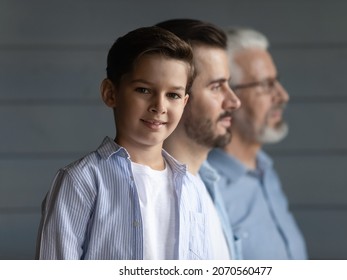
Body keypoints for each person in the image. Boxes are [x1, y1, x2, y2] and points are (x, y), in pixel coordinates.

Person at [35, 26, 215, 260]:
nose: (159, 106)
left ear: (184, 102)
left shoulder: (191, 188)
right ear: (111, 93)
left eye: (173, 95)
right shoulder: (81, 181)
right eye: (143, 90)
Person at [208, 27, 308, 259]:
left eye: (277, 81)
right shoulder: (207, 189)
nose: (282, 96)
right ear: (228, 97)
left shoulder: (266, 171)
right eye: (265, 85)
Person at [156, 19, 242, 259]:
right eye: (216, 87)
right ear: (176, 96)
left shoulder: (208, 182)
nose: (234, 101)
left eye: (229, 84)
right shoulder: (145, 196)